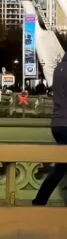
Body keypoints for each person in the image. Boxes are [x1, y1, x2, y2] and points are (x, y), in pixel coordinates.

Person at [32, 50, 67, 206]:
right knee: (60, 168)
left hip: (57, 123)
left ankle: (39, 201)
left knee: (60, 167)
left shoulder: (59, 68)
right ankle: (39, 201)